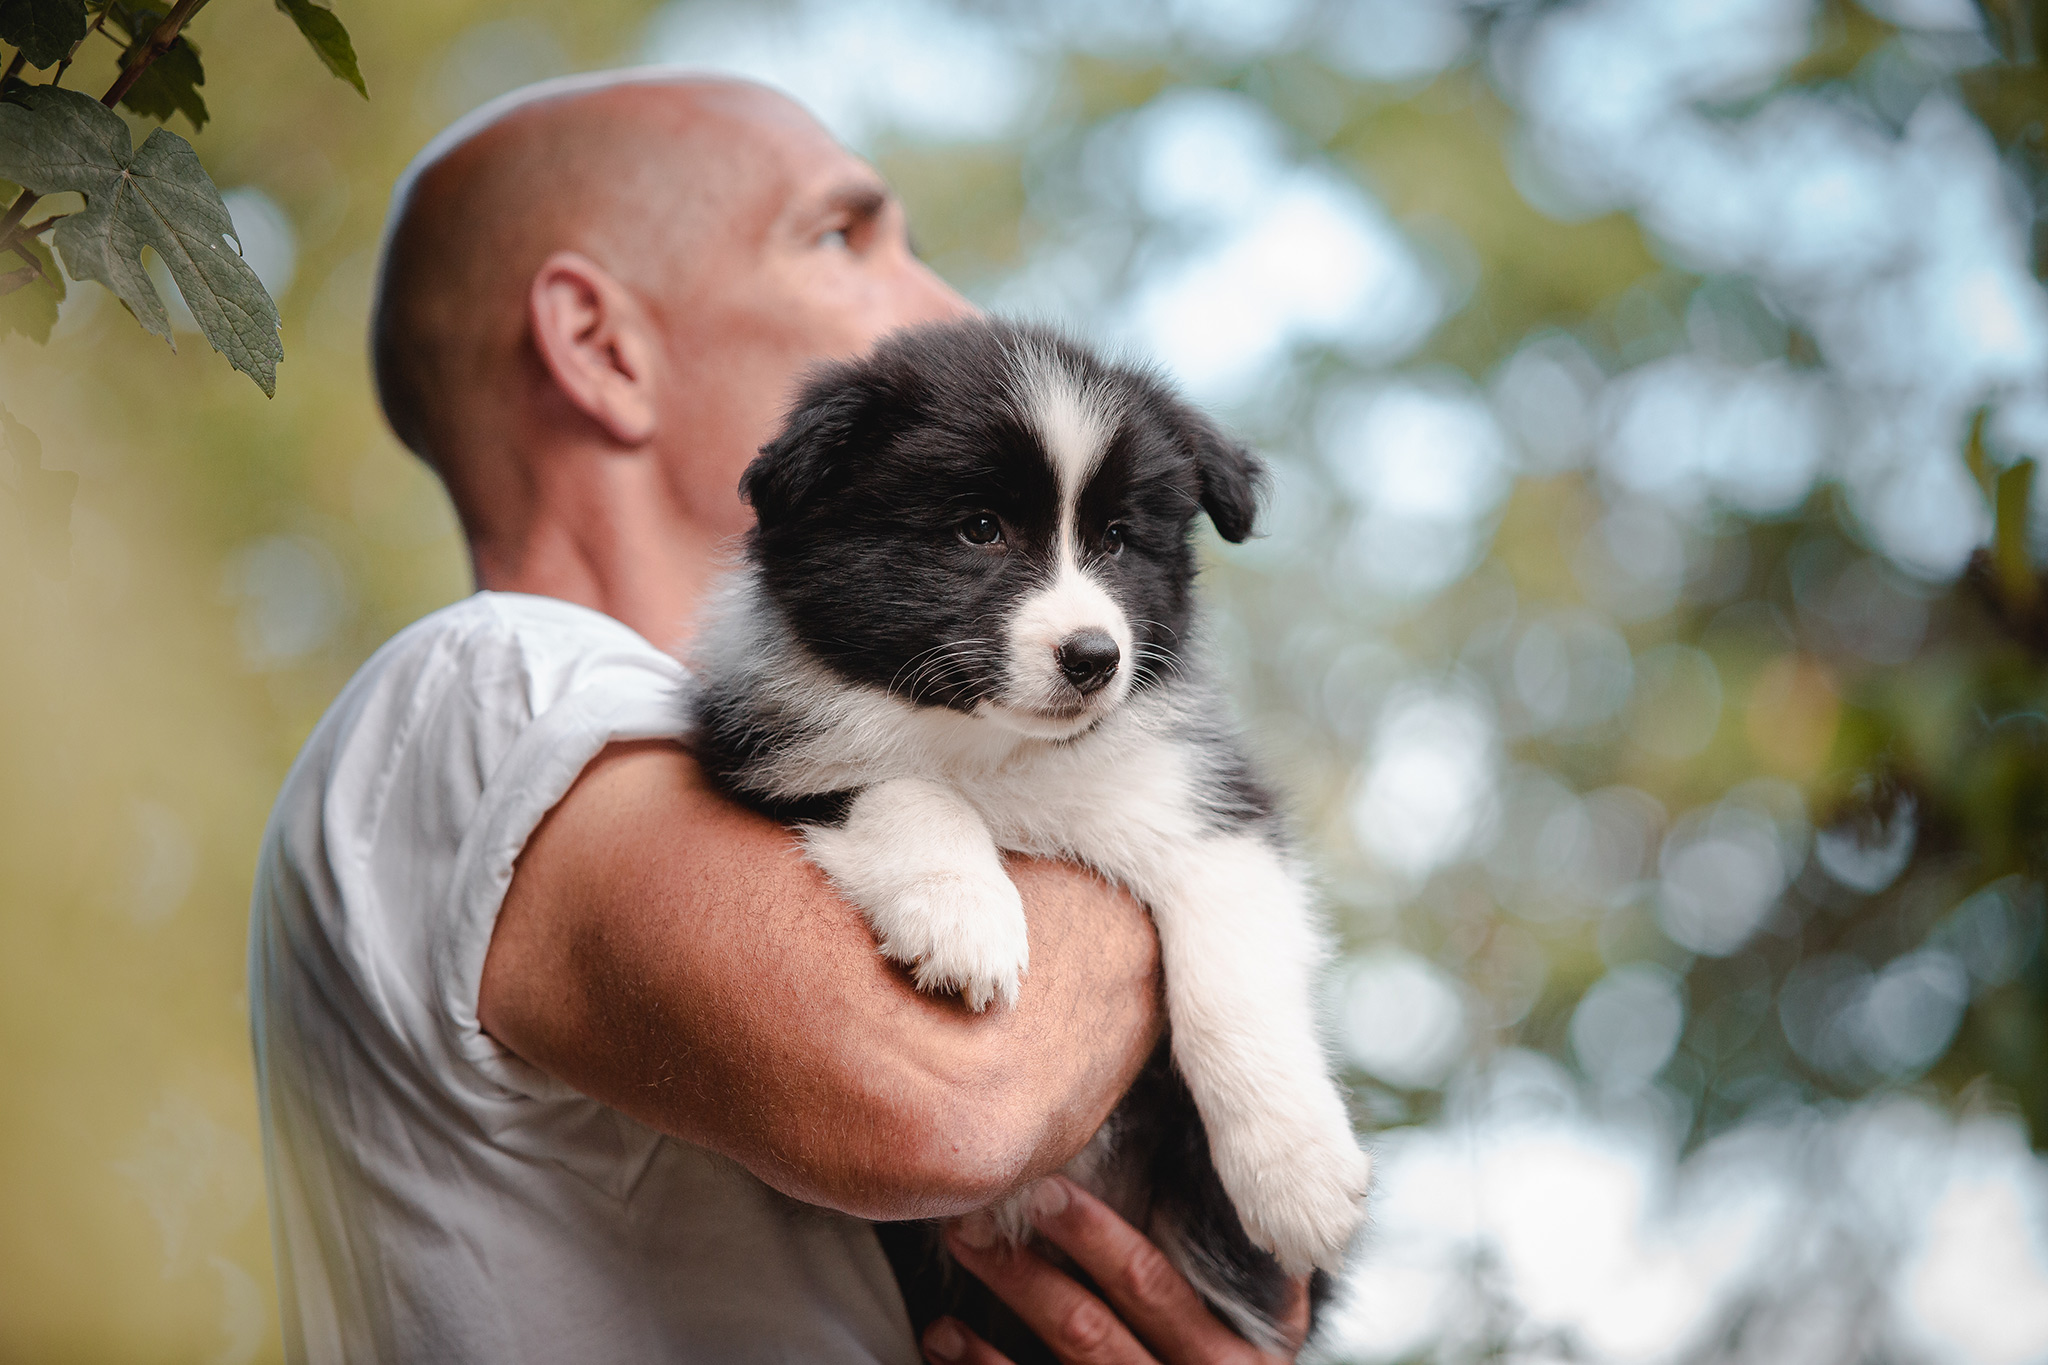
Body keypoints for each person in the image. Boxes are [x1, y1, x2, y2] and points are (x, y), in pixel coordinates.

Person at [248, 69, 1307, 1365]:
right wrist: (1175, 881)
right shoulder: (491, 686)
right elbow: (948, 1099)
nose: (952, 307)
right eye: (842, 237)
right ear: (598, 344)